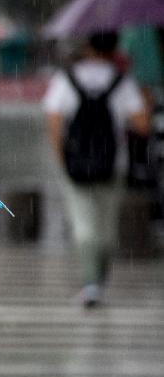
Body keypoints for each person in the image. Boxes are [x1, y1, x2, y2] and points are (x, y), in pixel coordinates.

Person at [44, 31, 150, 308]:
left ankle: (91, 284)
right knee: (106, 229)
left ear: (87, 45)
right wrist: (144, 93)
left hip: (76, 165)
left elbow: (54, 120)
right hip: (112, 164)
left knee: (84, 225)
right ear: (115, 48)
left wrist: (62, 158)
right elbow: (142, 124)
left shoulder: (66, 79)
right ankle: (97, 281)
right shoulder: (122, 81)